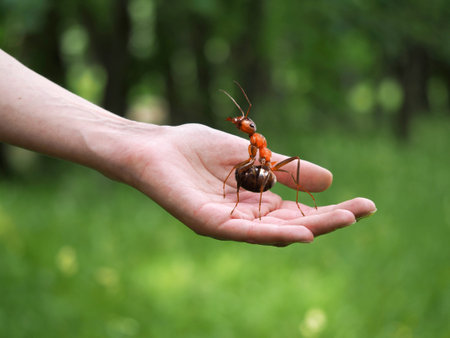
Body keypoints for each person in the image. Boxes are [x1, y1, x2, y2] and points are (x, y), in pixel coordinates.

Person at [0, 49, 376, 246]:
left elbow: (260, 165)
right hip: (256, 172)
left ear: (252, 132)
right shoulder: (252, 146)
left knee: (282, 170)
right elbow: (250, 154)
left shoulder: (261, 154)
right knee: (247, 170)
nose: (242, 125)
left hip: (263, 176)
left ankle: (302, 202)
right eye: (242, 124)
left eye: (244, 124)